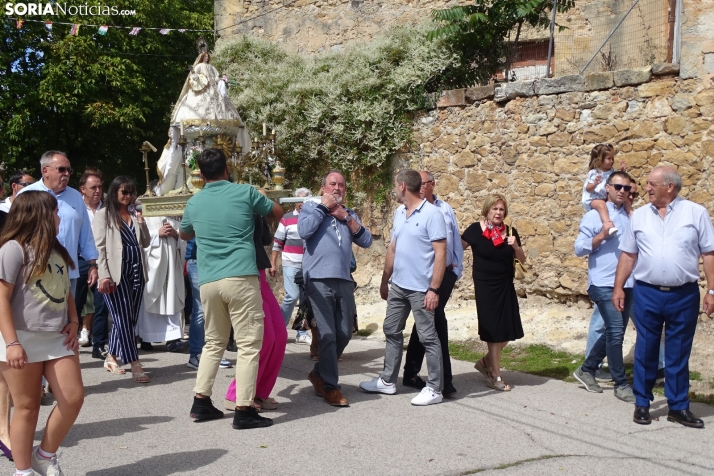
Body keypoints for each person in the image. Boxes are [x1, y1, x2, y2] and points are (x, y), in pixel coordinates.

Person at [180, 148, 283, 430]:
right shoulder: (245, 192)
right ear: (227, 169)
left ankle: (200, 402)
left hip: (210, 280)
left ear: (200, 175)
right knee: (250, 345)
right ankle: (244, 409)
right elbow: (277, 212)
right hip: (241, 277)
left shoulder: (194, 202)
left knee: (214, 343)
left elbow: (185, 233)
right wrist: (263, 198)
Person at [613, 166, 714, 428]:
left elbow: (709, 254)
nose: (643, 188)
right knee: (646, 349)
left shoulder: (696, 213)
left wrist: (712, 290)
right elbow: (628, 254)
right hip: (647, 292)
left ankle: (678, 407)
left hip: (684, 294)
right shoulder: (639, 217)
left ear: (670, 187)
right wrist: (618, 287)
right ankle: (642, 404)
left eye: (650, 184)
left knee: (679, 351)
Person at [0, 191, 84, 476]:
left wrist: (74, 320)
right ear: (40, 216)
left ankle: (44, 455)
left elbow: (65, 289)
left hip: (58, 336)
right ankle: (22, 472)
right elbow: (1, 298)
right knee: (27, 407)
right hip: (21, 337)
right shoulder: (13, 248)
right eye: (55, 212)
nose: (59, 218)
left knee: (73, 398)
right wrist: (11, 343)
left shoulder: (56, 250)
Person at [360, 169, 446, 405]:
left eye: (394, 185)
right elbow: (393, 249)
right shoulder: (399, 213)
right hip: (398, 286)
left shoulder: (432, 214)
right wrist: (384, 279)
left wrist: (434, 289)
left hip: (421, 289)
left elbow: (441, 254)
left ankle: (435, 388)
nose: (393, 190)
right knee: (391, 330)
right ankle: (388, 381)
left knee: (429, 337)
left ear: (402, 187)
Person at [299, 169, 373, 407]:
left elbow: (367, 240)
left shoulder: (348, 214)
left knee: (344, 332)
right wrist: (323, 208)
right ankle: (331, 387)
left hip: (343, 279)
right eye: (332, 184)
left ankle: (319, 372)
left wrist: (346, 218)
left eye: (341, 185)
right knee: (328, 334)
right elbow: (304, 231)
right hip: (318, 279)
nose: (337, 188)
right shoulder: (310, 208)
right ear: (323, 188)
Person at [573, 171, 636, 402]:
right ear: (607, 187)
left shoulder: (632, 217)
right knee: (617, 332)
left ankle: (587, 369)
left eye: (626, 188)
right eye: (618, 186)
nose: (622, 191)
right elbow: (579, 249)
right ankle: (621, 384)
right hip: (602, 283)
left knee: (612, 330)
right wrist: (600, 236)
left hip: (628, 283)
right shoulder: (594, 216)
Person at [401, 171, 463, 397]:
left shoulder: (444, 209)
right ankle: (442, 381)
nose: (420, 186)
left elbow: (454, 239)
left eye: (424, 183)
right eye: (417, 183)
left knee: (431, 321)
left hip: (444, 275)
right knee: (434, 322)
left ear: (432, 185)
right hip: (421, 276)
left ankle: (414, 373)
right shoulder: (407, 210)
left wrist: (456, 269)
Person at [461, 194, 526, 391]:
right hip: (485, 285)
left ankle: (485, 362)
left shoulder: (510, 231)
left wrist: (515, 245)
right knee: (493, 331)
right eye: (495, 209)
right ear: (487, 210)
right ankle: (495, 376)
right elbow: (458, 247)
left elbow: (522, 259)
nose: (498, 213)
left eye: (501, 209)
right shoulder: (475, 230)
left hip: (504, 284)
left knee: (509, 329)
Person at [225, 212, 288, 411]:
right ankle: (236, 394)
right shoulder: (229, 211)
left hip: (259, 271)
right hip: (243, 272)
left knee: (279, 335)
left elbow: (265, 239)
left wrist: (259, 213)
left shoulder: (252, 210)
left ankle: (260, 392)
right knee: (265, 337)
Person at [93, 176, 151, 384]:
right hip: (115, 274)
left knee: (127, 319)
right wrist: (104, 274)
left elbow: (145, 242)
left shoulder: (134, 214)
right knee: (123, 318)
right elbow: (99, 248)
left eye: (130, 193)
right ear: (115, 192)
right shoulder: (104, 215)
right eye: (124, 192)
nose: (127, 196)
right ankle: (134, 362)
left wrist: (142, 222)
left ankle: (111, 357)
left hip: (136, 272)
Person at [19, 151, 98, 298]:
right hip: (35, 272)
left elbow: (86, 235)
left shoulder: (75, 196)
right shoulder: (27, 195)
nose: (67, 173)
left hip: (68, 273)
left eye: (69, 170)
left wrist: (92, 265)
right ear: (45, 170)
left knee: (69, 318)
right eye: (61, 169)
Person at [137, 215, 188, 352]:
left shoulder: (174, 213)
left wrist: (176, 235)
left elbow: (183, 240)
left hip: (172, 263)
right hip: (152, 265)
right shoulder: (145, 212)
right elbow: (138, 238)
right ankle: (146, 338)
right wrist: (155, 233)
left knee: (171, 296)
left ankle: (173, 339)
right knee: (150, 297)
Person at [184, 238, 233, 371]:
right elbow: (184, 232)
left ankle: (214, 354)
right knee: (200, 309)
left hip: (218, 259)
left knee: (218, 307)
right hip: (197, 260)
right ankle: (196, 356)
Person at [74, 169, 108, 355]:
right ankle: (68, 343)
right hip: (80, 260)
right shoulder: (75, 208)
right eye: (93, 187)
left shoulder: (108, 208)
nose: (97, 191)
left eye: (100, 187)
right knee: (75, 303)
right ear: (83, 190)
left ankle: (99, 344)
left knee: (102, 304)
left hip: (102, 260)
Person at [271, 187, 312, 345]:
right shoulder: (286, 219)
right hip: (290, 263)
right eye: (298, 200)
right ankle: (279, 329)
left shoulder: (313, 218)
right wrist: (273, 263)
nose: (301, 203)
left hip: (308, 265)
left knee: (305, 299)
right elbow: (278, 242)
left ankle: (301, 332)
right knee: (292, 296)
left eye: (304, 200)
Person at [582, 144, 630, 235]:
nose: (611, 161)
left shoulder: (612, 172)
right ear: (599, 159)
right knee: (601, 206)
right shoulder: (594, 173)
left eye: (612, 158)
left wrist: (622, 171)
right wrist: (595, 183)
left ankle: (631, 215)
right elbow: (588, 189)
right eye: (608, 158)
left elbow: (619, 179)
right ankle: (608, 225)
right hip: (593, 198)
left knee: (626, 200)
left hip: (605, 197)